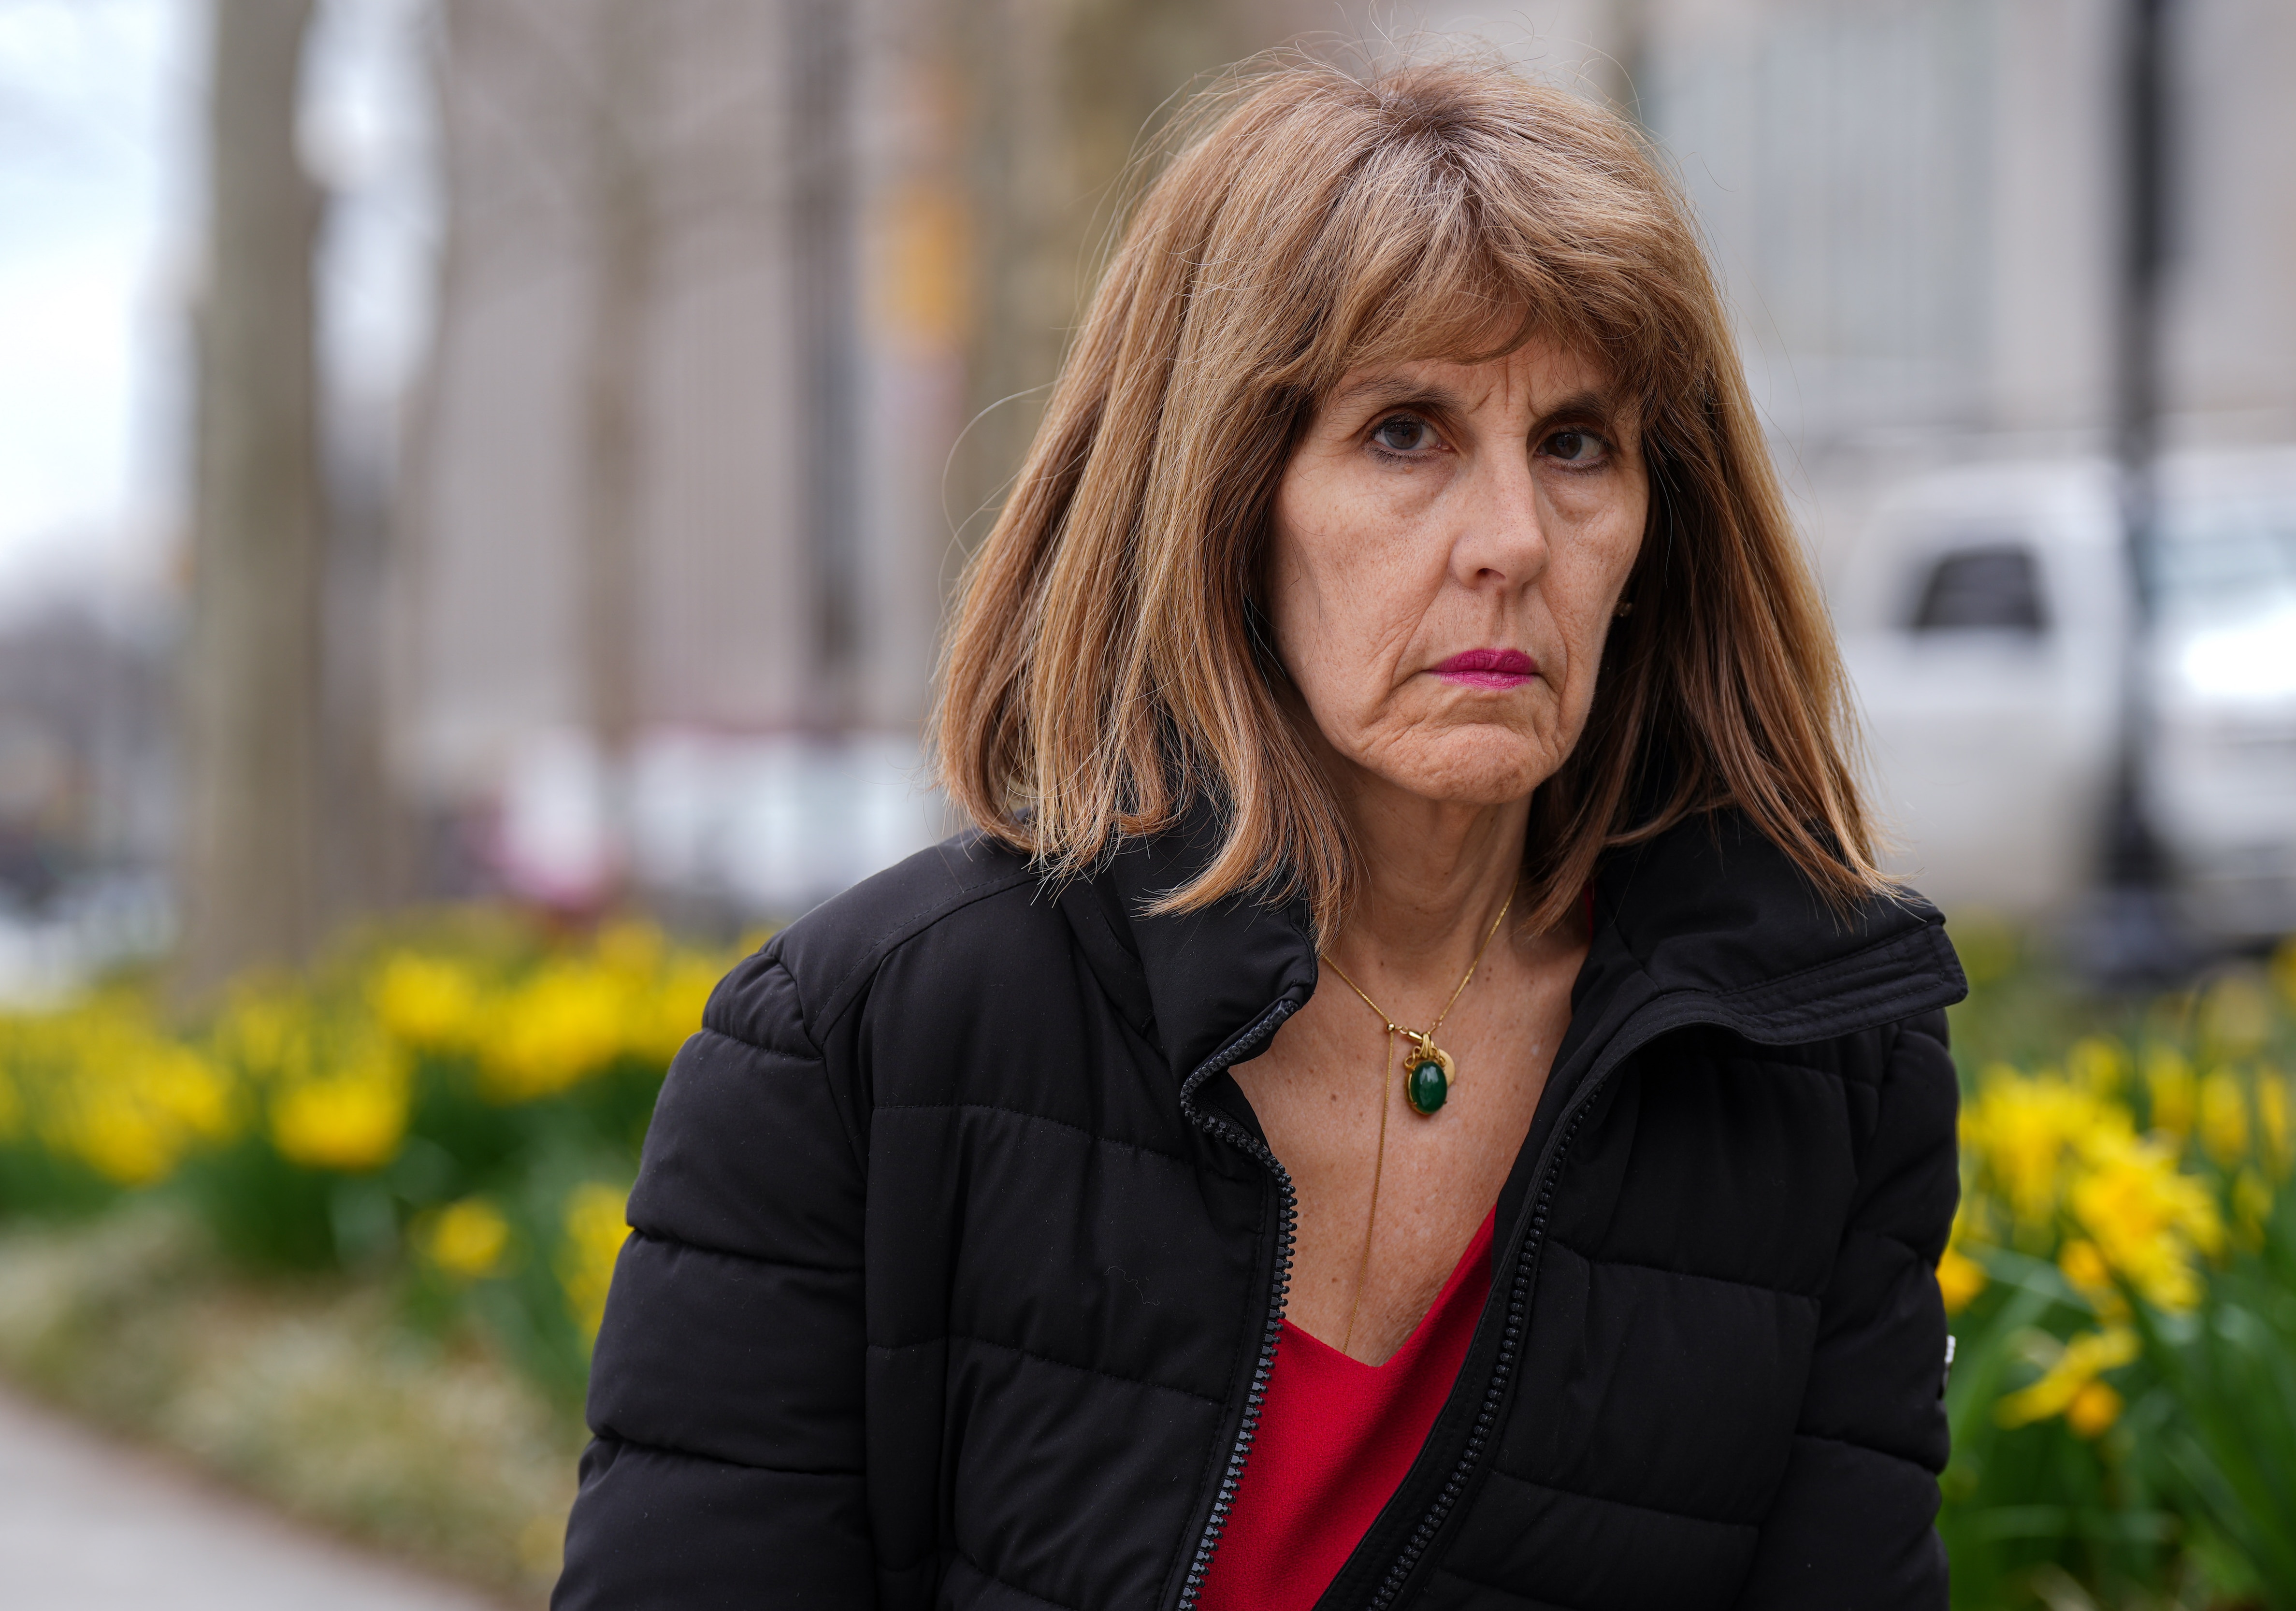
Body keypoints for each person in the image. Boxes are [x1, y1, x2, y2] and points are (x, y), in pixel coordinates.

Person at [554, 52, 1964, 1611]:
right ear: (1225, 494)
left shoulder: (1820, 1079)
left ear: (1655, 522)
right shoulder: (863, 1048)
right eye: (1405, 435)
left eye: (1576, 445)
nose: (1511, 543)